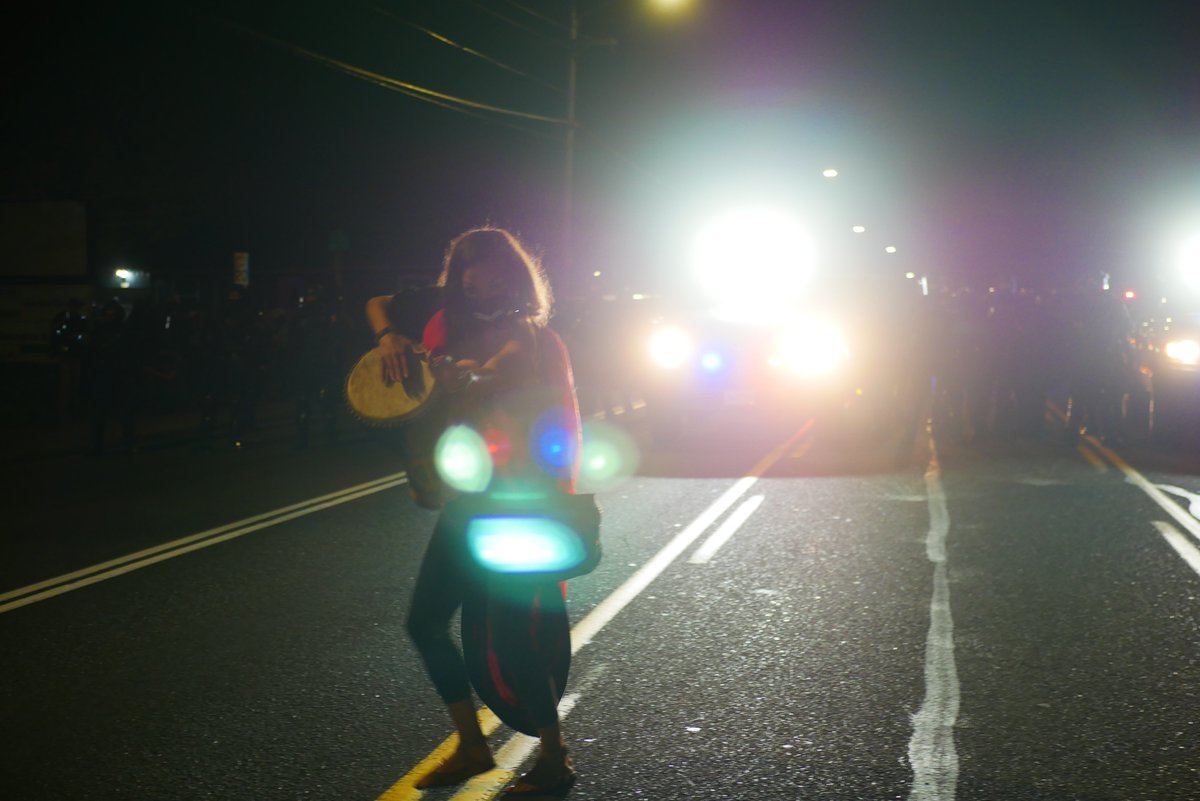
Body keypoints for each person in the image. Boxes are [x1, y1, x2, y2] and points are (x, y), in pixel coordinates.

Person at [366, 227, 582, 796]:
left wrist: (471, 375)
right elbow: (377, 302)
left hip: (519, 505)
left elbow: (505, 365)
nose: (469, 275)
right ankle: (472, 745)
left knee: (512, 641)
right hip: (470, 501)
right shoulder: (448, 319)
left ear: (507, 272)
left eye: (481, 265)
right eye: (462, 264)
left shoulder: (526, 332)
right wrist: (389, 336)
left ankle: (554, 753)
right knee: (424, 622)